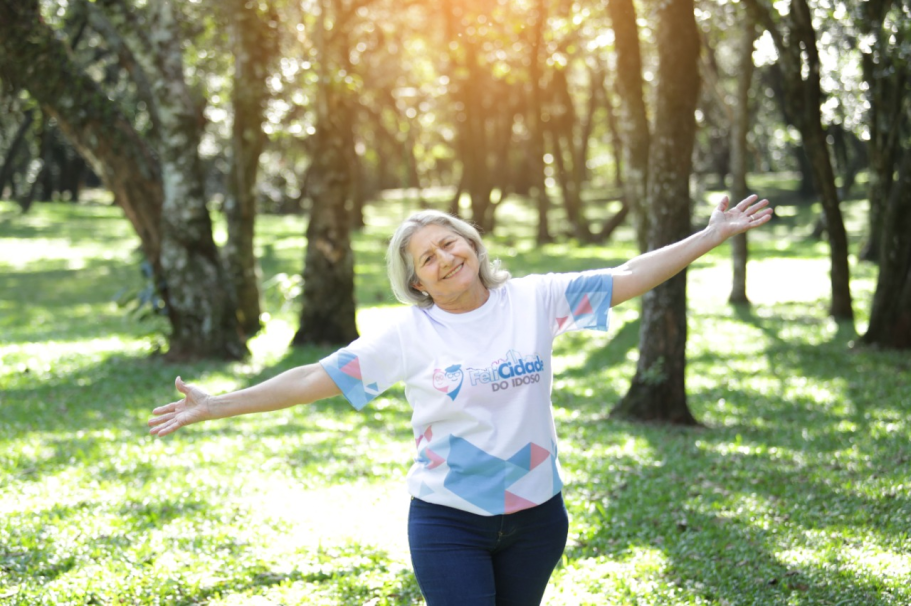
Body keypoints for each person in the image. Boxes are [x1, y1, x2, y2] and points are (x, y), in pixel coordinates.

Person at [149, 194, 772, 605]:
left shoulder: (534, 299)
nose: (446, 258)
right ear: (416, 281)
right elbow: (316, 376)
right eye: (428, 257)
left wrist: (712, 234)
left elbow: (630, 275)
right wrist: (217, 404)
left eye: (452, 243)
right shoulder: (409, 335)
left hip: (537, 516)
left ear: (472, 244)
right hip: (448, 522)